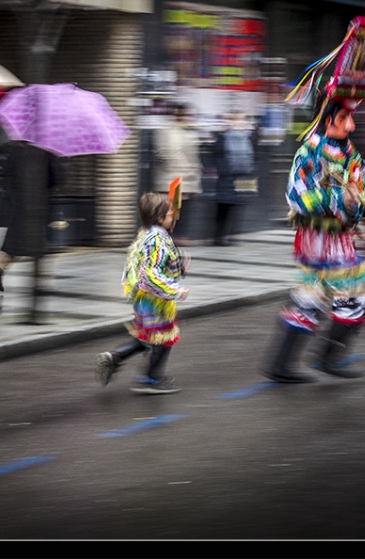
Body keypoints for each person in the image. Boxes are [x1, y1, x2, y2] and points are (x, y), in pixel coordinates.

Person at [260, 100, 365, 382]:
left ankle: (285, 364)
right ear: (328, 120)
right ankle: (324, 360)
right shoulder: (310, 152)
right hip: (319, 238)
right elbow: (297, 195)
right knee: (357, 296)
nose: (350, 123)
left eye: (350, 117)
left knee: (312, 297)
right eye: (343, 117)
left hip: (337, 238)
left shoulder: (351, 155)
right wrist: (340, 198)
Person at [95, 191, 189, 394]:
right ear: (160, 218)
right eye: (170, 213)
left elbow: (149, 266)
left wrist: (179, 268)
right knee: (164, 337)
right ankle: (151, 379)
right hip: (155, 299)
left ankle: (116, 356)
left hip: (144, 299)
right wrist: (175, 289)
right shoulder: (157, 240)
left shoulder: (149, 235)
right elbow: (150, 273)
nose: (174, 215)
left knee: (149, 336)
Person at [0, 140, 62, 322]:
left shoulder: (14, 147)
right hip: (38, 206)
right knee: (37, 250)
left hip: (17, 206)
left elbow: (3, 175)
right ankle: (36, 296)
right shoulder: (47, 147)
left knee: (20, 245)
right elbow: (57, 178)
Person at [152, 103, 203, 245]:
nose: (189, 118)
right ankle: (166, 238)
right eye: (187, 114)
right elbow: (169, 153)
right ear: (177, 115)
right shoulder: (169, 131)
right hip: (174, 177)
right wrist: (189, 170)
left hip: (184, 178)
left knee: (180, 209)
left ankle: (176, 237)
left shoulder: (186, 130)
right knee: (172, 209)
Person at [211, 110, 258, 246]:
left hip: (245, 176)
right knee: (224, 207)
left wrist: (251, 170)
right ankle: (219, 237)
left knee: (240, 205)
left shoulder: (249, 137)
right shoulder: (223, 137)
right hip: (228, 176)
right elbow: (217, 155)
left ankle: (233, 235)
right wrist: (225, 171)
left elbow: (254, 155)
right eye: (237, 119)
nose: (240, 123)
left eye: (243, 120)